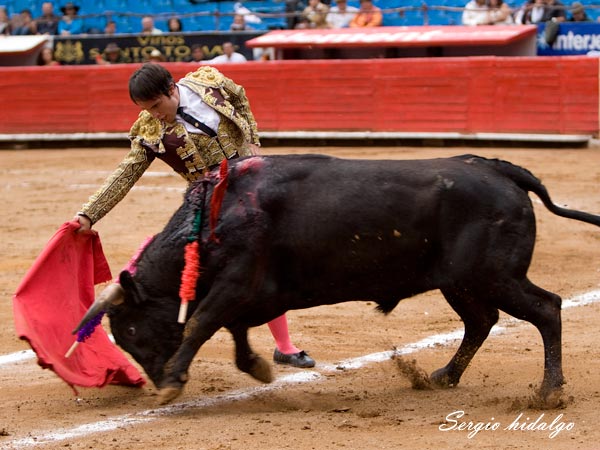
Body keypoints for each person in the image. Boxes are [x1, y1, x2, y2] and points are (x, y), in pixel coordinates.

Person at [73, 63, 315, 369]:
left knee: (269, 260)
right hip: (211, 202)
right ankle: (141, 302)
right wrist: (89, 213)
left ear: (171, 89)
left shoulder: (208, 81)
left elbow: (240, 97)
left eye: (156, 106)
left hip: (253, 186)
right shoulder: (149, 131)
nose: (154, 115)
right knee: (208, 263)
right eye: (146, 109)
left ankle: (283, 346)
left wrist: (253, 139)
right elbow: (126, 173)